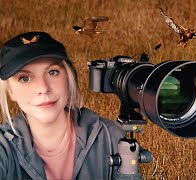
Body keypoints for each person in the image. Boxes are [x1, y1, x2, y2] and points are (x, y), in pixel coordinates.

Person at [0, 31, 126, 180]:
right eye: (25, 78)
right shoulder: (3, 148)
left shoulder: (110, 137)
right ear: (10, 92)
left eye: (53, 72)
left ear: (68, 77)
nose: (43, 88)